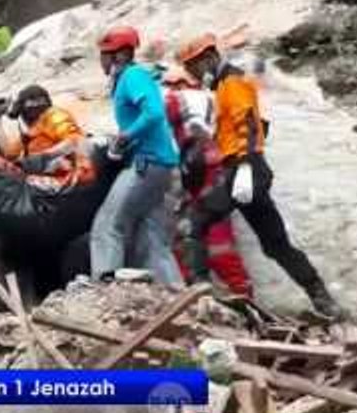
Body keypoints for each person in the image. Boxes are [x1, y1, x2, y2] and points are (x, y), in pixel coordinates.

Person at [176, 34, 343, 319]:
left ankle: (200, 296)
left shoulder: (233, 82)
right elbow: (250, 125)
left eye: (193, 68)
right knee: (276, 245)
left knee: (192, 223)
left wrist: (243, 166)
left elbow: (249, 124)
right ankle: (324, 300)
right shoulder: (225, 85)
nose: (192, 75)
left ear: (207, 59)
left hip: (244, 169)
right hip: (249, 169)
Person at [90, 26, 183, 286]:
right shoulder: (133, 78)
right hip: (161, 165)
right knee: (152, 238)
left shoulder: (133, 76)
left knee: (107, 225)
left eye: (104, 54)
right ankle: (175, 294)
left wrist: (126, 136)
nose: (101, 60)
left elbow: (153, 113)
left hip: (148, 163)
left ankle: (104, 288)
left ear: (119, 55)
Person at [162, 73, 253, 297]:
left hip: (202, 172)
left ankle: (202, 294)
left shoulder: (179, 99)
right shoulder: (211, 99)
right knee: (206, 239)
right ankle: (235, 294)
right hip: (210, 171)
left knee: (208, 241)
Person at [0, 84, 95, 187]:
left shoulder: (53, 116)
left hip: (66, 179)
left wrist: (41, 158)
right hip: (45, 179)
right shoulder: (32, 132)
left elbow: (75, 140)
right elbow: (9, 154)